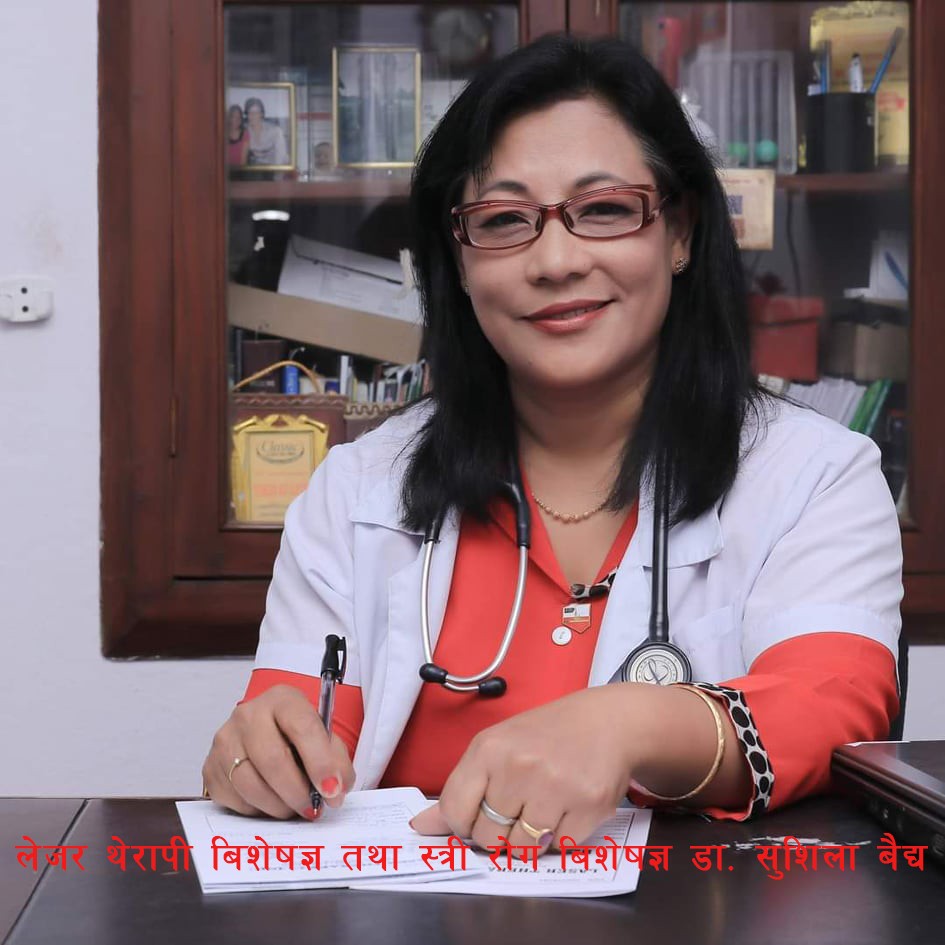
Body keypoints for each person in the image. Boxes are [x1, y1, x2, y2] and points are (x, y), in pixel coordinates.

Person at [203, 35, 902, 850]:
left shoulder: (812, 476)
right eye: (503, 221)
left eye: (603, 209)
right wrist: (260, 757)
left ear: (679, 231)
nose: (556, 260)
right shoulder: (358, 490)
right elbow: (300, 731)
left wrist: (629, 723)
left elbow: (834, 705)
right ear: (458, 263)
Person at [245, 97, 289, 166]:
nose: (252, 115)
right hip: (254, 169)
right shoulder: (244, 131)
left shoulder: (275, 131)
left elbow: (281, 158)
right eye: (249, 112)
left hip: (274, 167)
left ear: (261, 114)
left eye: (256, 112)